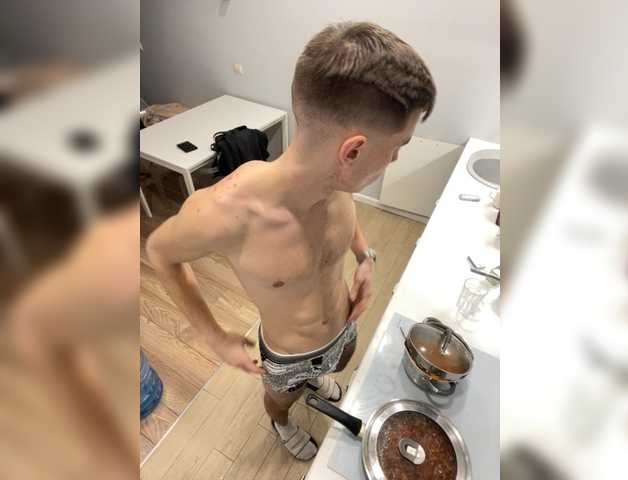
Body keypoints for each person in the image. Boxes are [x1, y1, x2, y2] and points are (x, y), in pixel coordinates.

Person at [146, 21, 436, 461]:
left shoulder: (337, 181)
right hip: (288, 354)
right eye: (398, 145)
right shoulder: (226, 211)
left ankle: (318, 378)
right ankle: (281, 423)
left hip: (342, 328)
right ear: (352, 151)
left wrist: (364, 257)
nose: (395, 158)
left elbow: (348, 222)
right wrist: (214, 335)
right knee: (281, 400)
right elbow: (159, 252)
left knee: (340, 360)